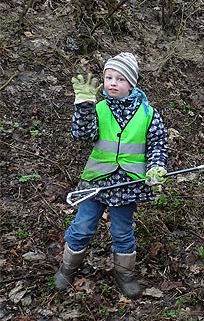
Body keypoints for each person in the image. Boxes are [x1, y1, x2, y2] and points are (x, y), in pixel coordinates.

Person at [54, 52, 169, 298]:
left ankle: (124, 274)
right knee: (83, 226)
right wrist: (84, 106)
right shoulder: (98, 108)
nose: (112, 83)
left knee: (122, 231)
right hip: (95, 182)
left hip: (128, 184)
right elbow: (81, 136)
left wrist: (155, 167)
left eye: (120, 78)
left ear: (132, 83)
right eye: (108, 77)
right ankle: (67, 267)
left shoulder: (148, 113)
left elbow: (158, 143)